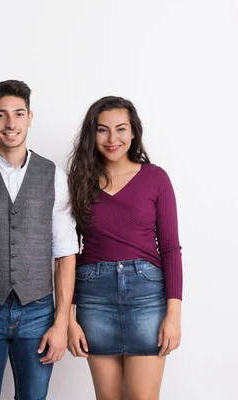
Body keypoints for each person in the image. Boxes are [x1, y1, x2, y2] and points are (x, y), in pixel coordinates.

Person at [0, 80, 78, 400]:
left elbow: (65, 254)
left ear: (30, 117)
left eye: (19, 114)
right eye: (1, 115)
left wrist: (61, 322)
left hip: (38, 312)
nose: (11, 123)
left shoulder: (54, 176)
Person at [67, 96, 183, 399]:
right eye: (102, 130)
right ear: (92, 136)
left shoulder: (155, 178)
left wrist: (173, 316)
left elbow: (170, 248)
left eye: (120, 129)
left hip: (147, 297)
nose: (112, 138)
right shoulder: (80, 181)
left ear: (133, 133)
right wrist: (68, 317)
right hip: (94, 298)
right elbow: (66, 251)